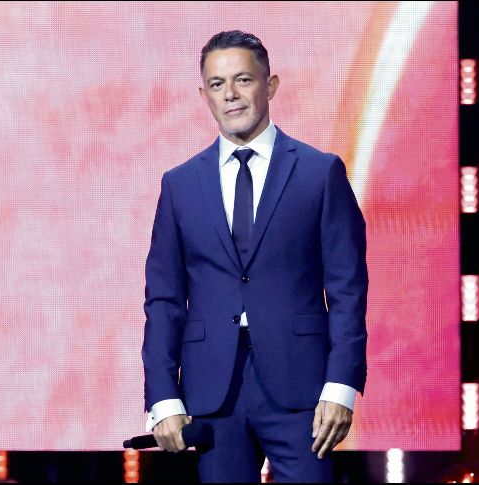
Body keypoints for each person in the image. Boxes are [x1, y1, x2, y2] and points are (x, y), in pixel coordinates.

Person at [141, 30, 368, 483]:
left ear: (271, 84)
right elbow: (164, 299)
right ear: (203, 93)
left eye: (243, 80)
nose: (231, 94)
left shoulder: (320, 173)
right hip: (212, 390)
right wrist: (162, 397)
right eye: (218, 83)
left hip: (302, 385)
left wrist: (341, 386)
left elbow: (347, 289)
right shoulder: (180, 184)